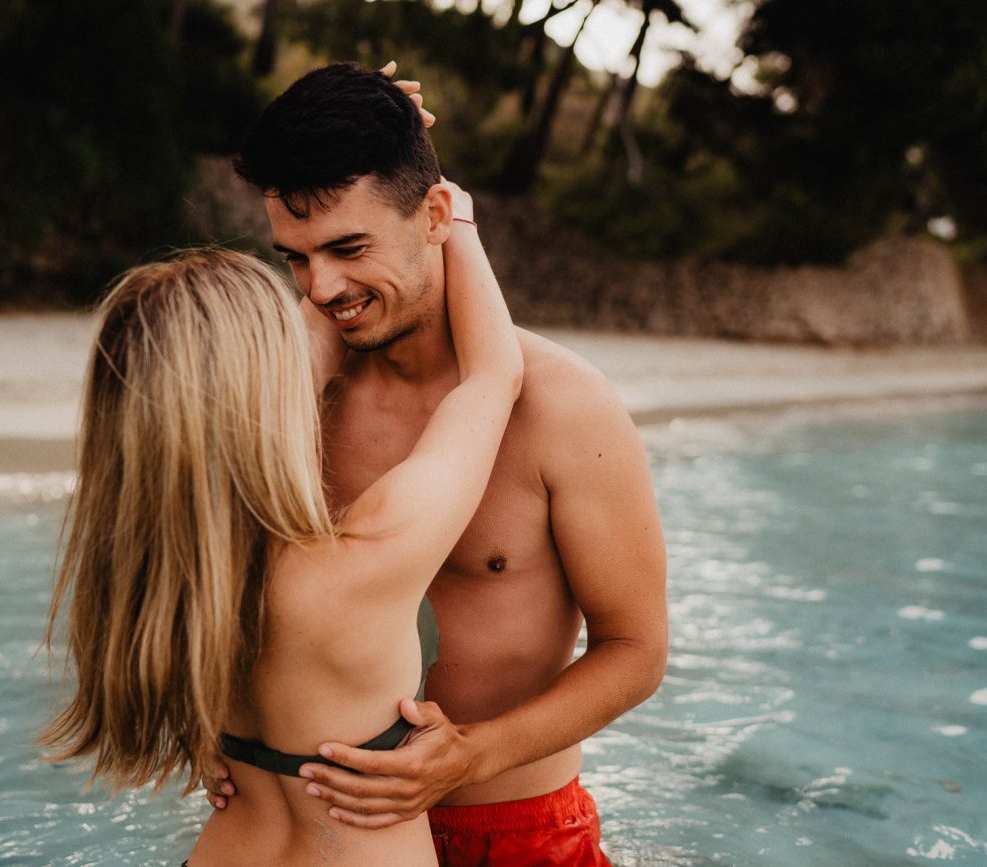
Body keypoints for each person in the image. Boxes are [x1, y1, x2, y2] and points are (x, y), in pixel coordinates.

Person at [207, 62, 668, 865]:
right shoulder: (294, 399)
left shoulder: (563, 406)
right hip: (323, 830)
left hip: (511, 829)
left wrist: (474, 752)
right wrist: (210, 721)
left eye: (349, 248)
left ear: (435, 216)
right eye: (295, 258)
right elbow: (217, 580)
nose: (321, 288)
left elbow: (635, 648)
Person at [39, 171, 522, 864]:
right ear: (258, 397)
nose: (316, 301)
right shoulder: (363, 558)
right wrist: (453, 216)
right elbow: (491, 376)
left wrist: (354, 157)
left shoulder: (159, 581)